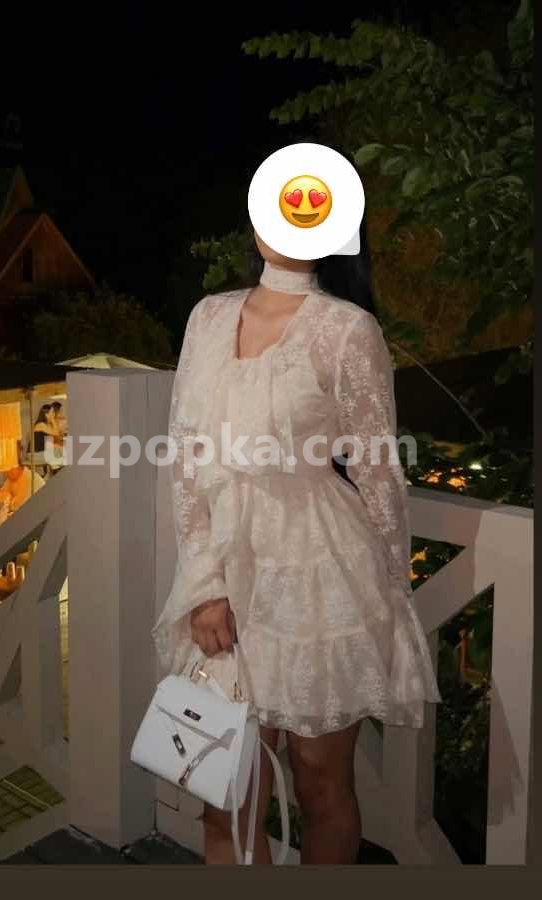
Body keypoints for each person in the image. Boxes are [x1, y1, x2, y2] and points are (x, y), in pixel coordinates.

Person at [152, 216, 442, 865]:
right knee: (223, 794)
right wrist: (204, 586)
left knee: (319, 783)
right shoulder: (208, 316)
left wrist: (389, 594)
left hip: (321, 570)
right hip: (225, 575)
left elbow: (376, 467)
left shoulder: (347, 329)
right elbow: (186, 459)